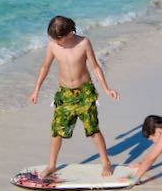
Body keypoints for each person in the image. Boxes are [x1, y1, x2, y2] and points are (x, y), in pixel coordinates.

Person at [30, 15, 119, 179]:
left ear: (70, 33)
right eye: (54, 39)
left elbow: (95, 67)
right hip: (64, 94)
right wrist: (36, 90)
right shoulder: (52, 46)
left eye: (59, 39)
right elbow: (45, 67)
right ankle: (52, 165)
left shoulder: (83, 43)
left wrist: (106, 89)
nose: (57, 42)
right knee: (57, 132)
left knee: (93, 130)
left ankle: (105, 161)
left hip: (85, 93)